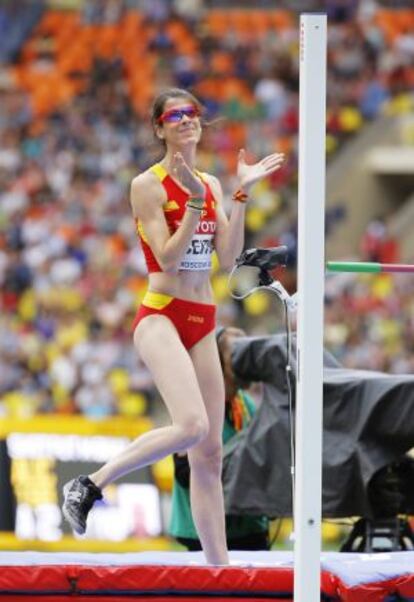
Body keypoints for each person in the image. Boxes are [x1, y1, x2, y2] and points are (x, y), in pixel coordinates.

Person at [62, 87, 285, 565]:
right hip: (161, 315)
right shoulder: (148, 184)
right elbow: (166, 256)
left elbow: (228, 259)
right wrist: (194, 206)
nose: (188, 120)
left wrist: (240, 191)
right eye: (175, 115)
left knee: (209, 456)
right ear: (159, 127)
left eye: (194, 113)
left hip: (203, 320)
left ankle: (219, 570)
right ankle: (89, 484)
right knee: (191, 427)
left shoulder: (211, 182)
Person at [170, 326, 270, 551]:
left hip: (248, 528)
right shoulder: (193, 405)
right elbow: (185, 472)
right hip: (202, 531)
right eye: (234, 356)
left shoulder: (245, 404)